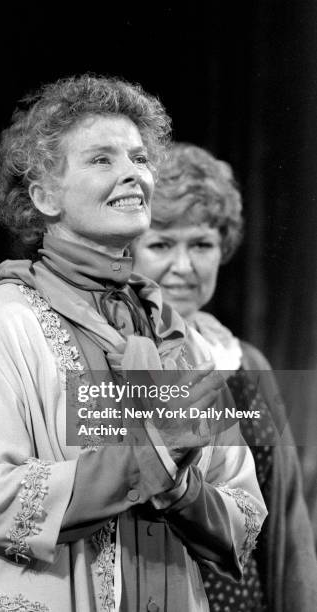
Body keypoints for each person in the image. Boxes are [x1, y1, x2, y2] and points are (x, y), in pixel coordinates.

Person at [0, 77, 266, 612]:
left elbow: (245, 513)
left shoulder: (172, 333)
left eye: (138, 158)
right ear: (44, 197)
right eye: (102, 160)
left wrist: (178, 490)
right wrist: (152, 454)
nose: (134, 174)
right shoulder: (2, 323)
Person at [132, 142, 317, 612]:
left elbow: (288, 518)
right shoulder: (112, 357)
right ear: (127, 248)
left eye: (201, 244)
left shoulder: (247, 362)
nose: (184, 266)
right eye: (161, 244)